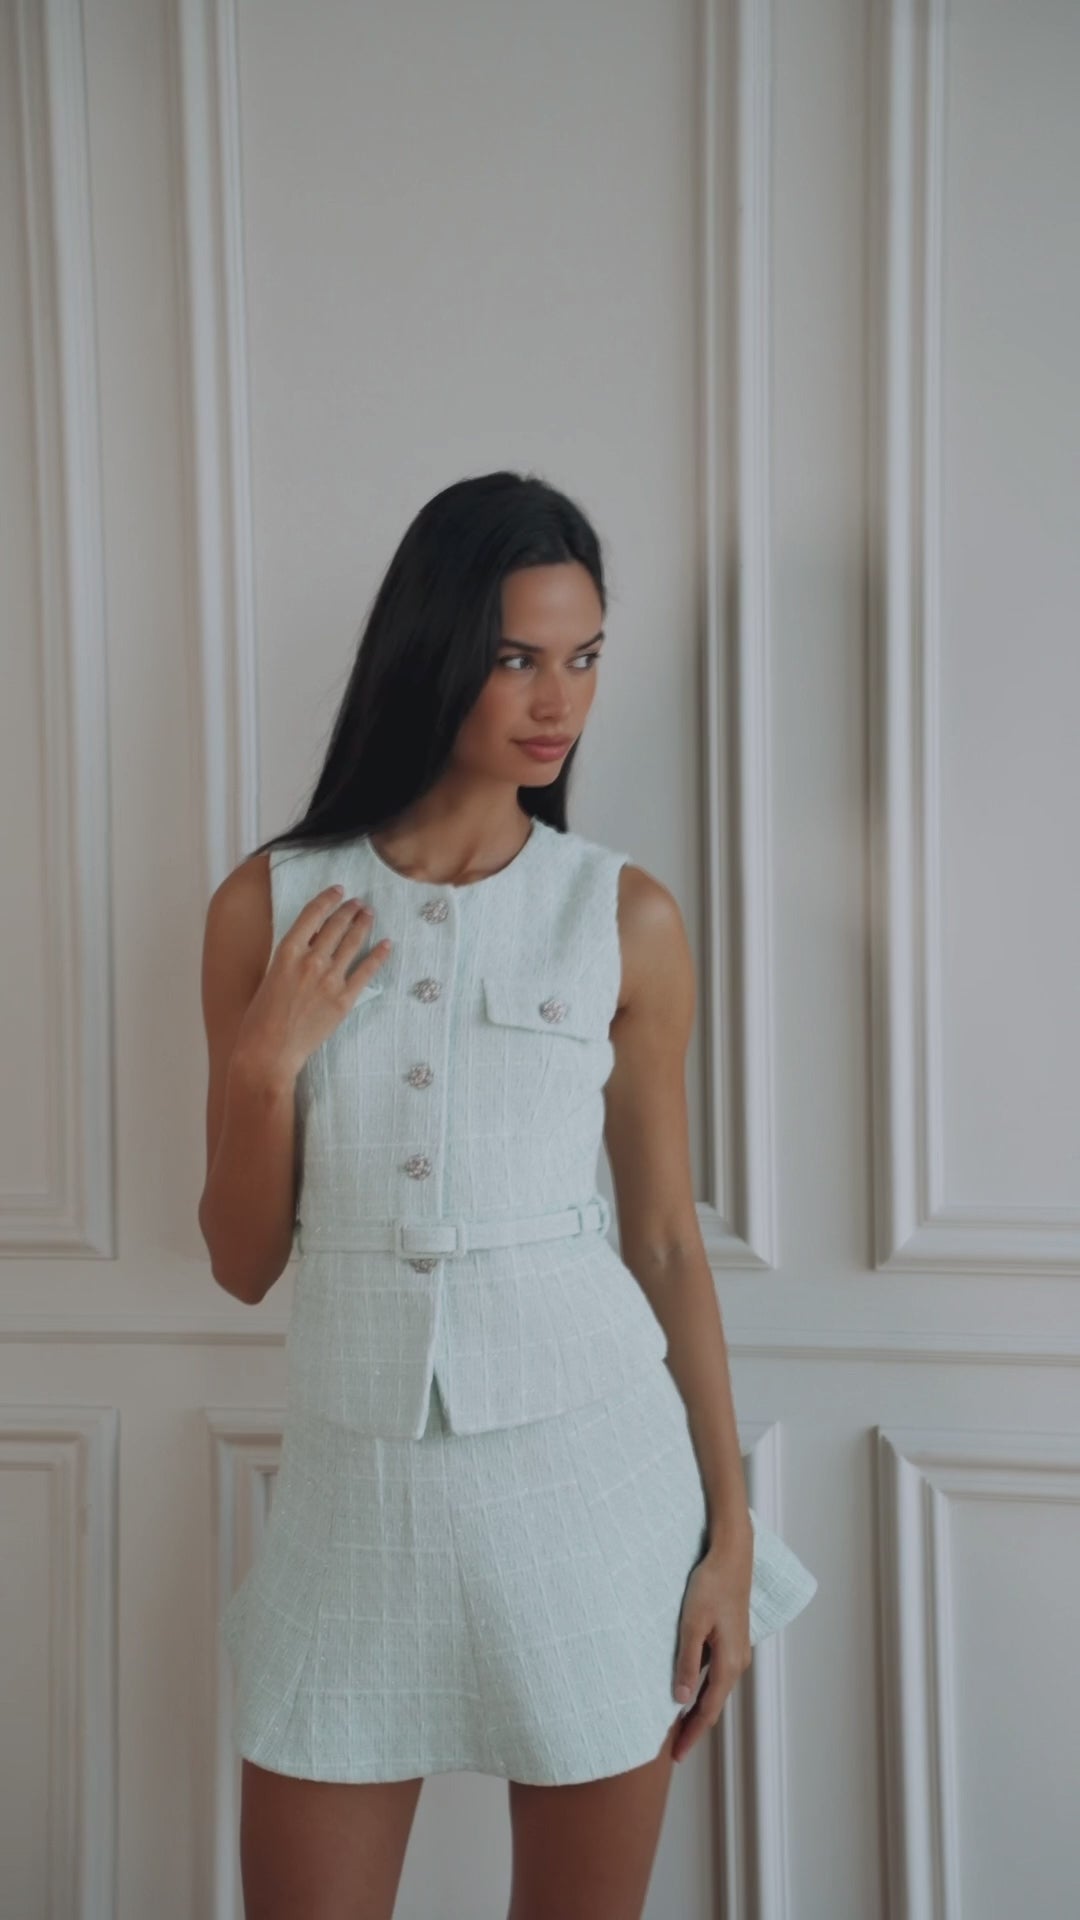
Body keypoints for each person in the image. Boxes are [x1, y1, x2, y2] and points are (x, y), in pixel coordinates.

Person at [199, 471, 816, 1920]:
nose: (559, 701)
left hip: (592, 1494)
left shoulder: (624, 915)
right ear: (431, 652)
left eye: (584, 657)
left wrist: (729, 1540)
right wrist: (266, 1065)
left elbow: (664, 1238)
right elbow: (241, 1263)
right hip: (353, 1511)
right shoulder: (267, 906)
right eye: (516, 657)